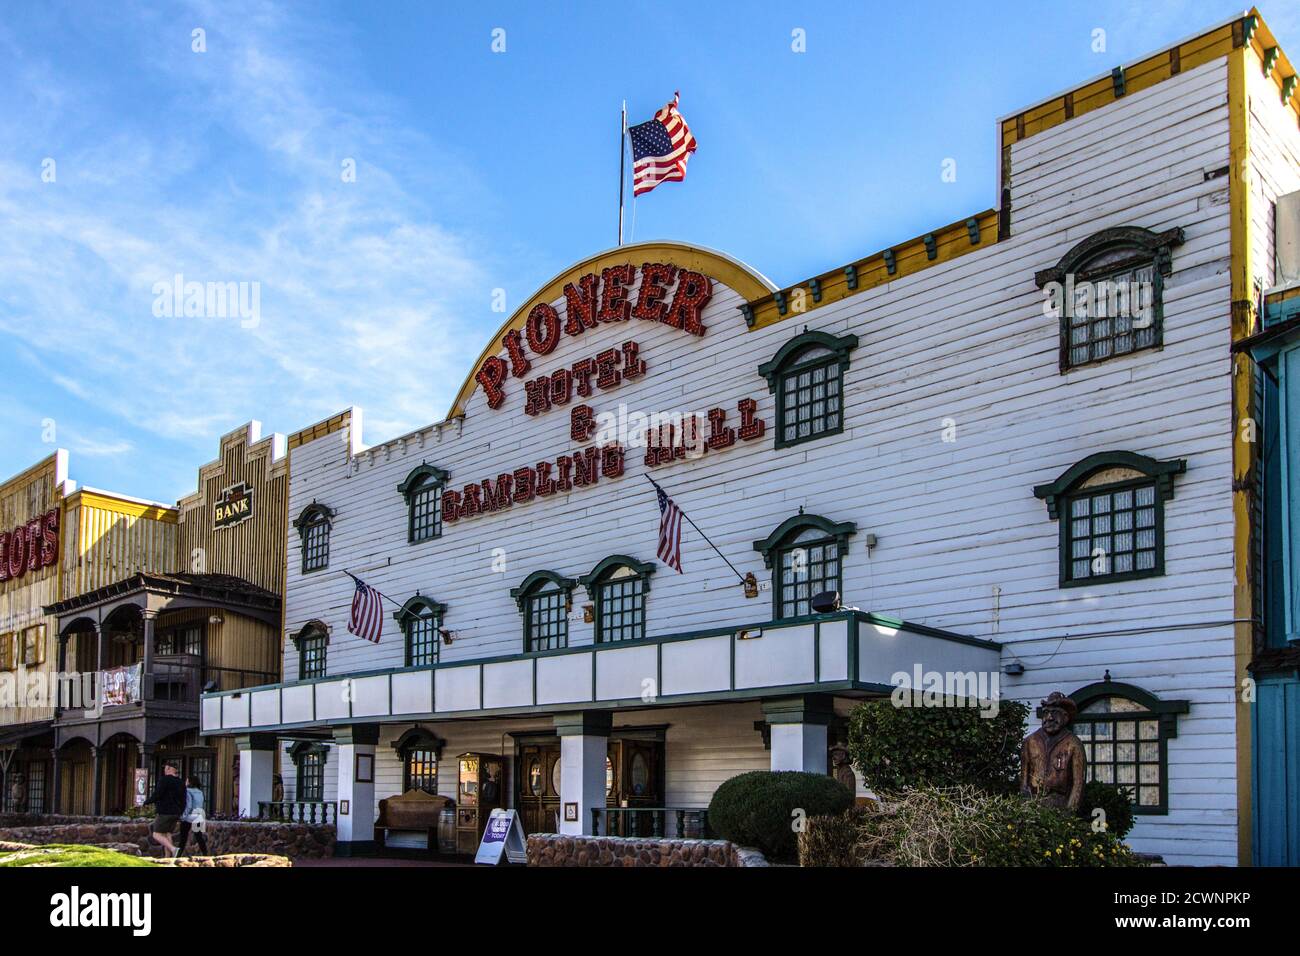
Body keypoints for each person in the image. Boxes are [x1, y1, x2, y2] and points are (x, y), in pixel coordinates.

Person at [142, 762, 186, 858]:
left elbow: (158, 794)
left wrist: (147, 802)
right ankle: (168, 858)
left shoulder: (164, 780)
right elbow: (184, 799)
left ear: (170, 769)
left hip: (165, 812)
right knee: (167, 834)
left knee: (156, 834)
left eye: (166, 768)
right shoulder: (181, 782)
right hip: (176, 813)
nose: (164, 770)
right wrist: (181, 811)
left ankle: (174, 849)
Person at [177, 775, 209, 856]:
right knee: (199, 836)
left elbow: (189, 805)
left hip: (189, 816)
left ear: (189, 782)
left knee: (183, 838)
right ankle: (205, 854)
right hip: (199, 815)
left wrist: (183, 816)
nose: (185, 782)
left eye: (187, 781)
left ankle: (178, 855)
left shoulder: (187, 791)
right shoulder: (200, 792)